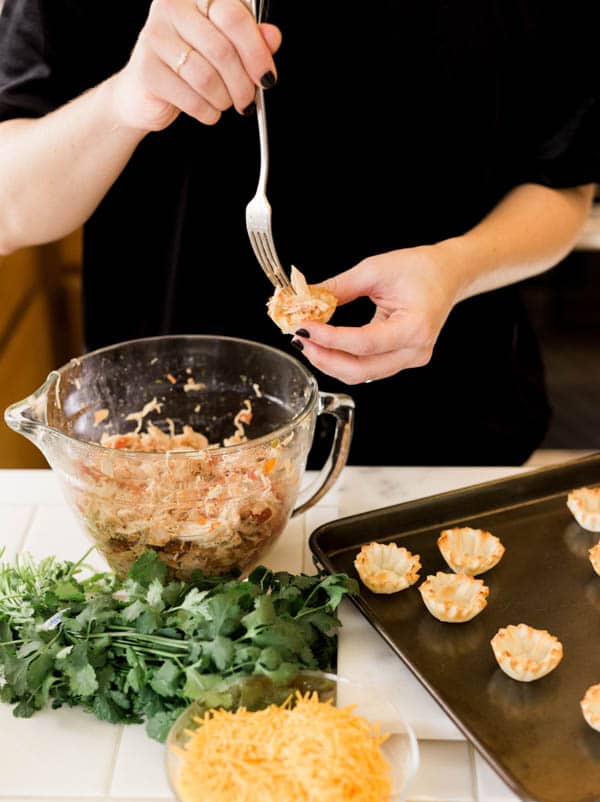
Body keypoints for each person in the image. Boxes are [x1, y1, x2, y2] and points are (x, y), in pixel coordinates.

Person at [0, 0, 598, 466]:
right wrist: (128, 99)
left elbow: (566, 184)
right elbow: (9, 205)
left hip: (451, 437)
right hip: (167, 453)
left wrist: (457, 267)